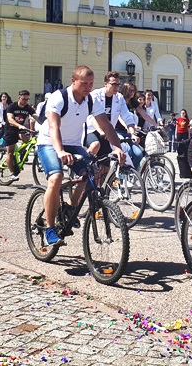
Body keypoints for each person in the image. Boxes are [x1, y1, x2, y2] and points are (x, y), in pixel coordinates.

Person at [37, 66, 126, 247]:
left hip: (74, 144)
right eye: (84, 84)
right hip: (49, 142)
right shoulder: (59, 97)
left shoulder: (91, 100)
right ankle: (50, 229)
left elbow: (106, 125)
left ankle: (70, 207)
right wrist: (60, 151)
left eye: (91, 84)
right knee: (56, 178)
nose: (88, 88)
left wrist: (117, 147)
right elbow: (54, 127)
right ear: (73, 81)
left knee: (92, 172)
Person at [3, 90, 35, 179]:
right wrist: (19, 125)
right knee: (10, 152)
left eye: (27, 99)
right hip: (10, 129)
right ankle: (12, 173)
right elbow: (10, 119)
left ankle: (22, 152)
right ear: (19, 98)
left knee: (27, 140)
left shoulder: (27, 107)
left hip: (20, 129)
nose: (26, 101)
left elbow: (36, 116)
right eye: (24, 99)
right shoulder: (12, 107)